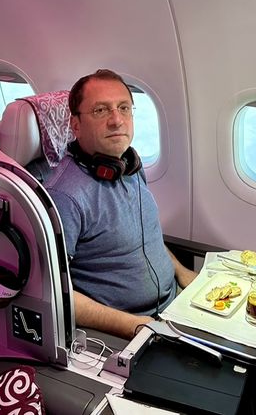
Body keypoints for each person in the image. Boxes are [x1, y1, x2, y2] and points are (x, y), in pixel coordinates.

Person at [45, 69, 196, 339]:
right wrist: (135, 326)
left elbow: (146, 237)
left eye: (124, 108)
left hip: (174, 302)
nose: (117, 120)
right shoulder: (64, 196)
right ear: (76, 125)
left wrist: (182, 273)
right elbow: (55, 291)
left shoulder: (128, 165)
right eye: (100, 110)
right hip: (129, 329)